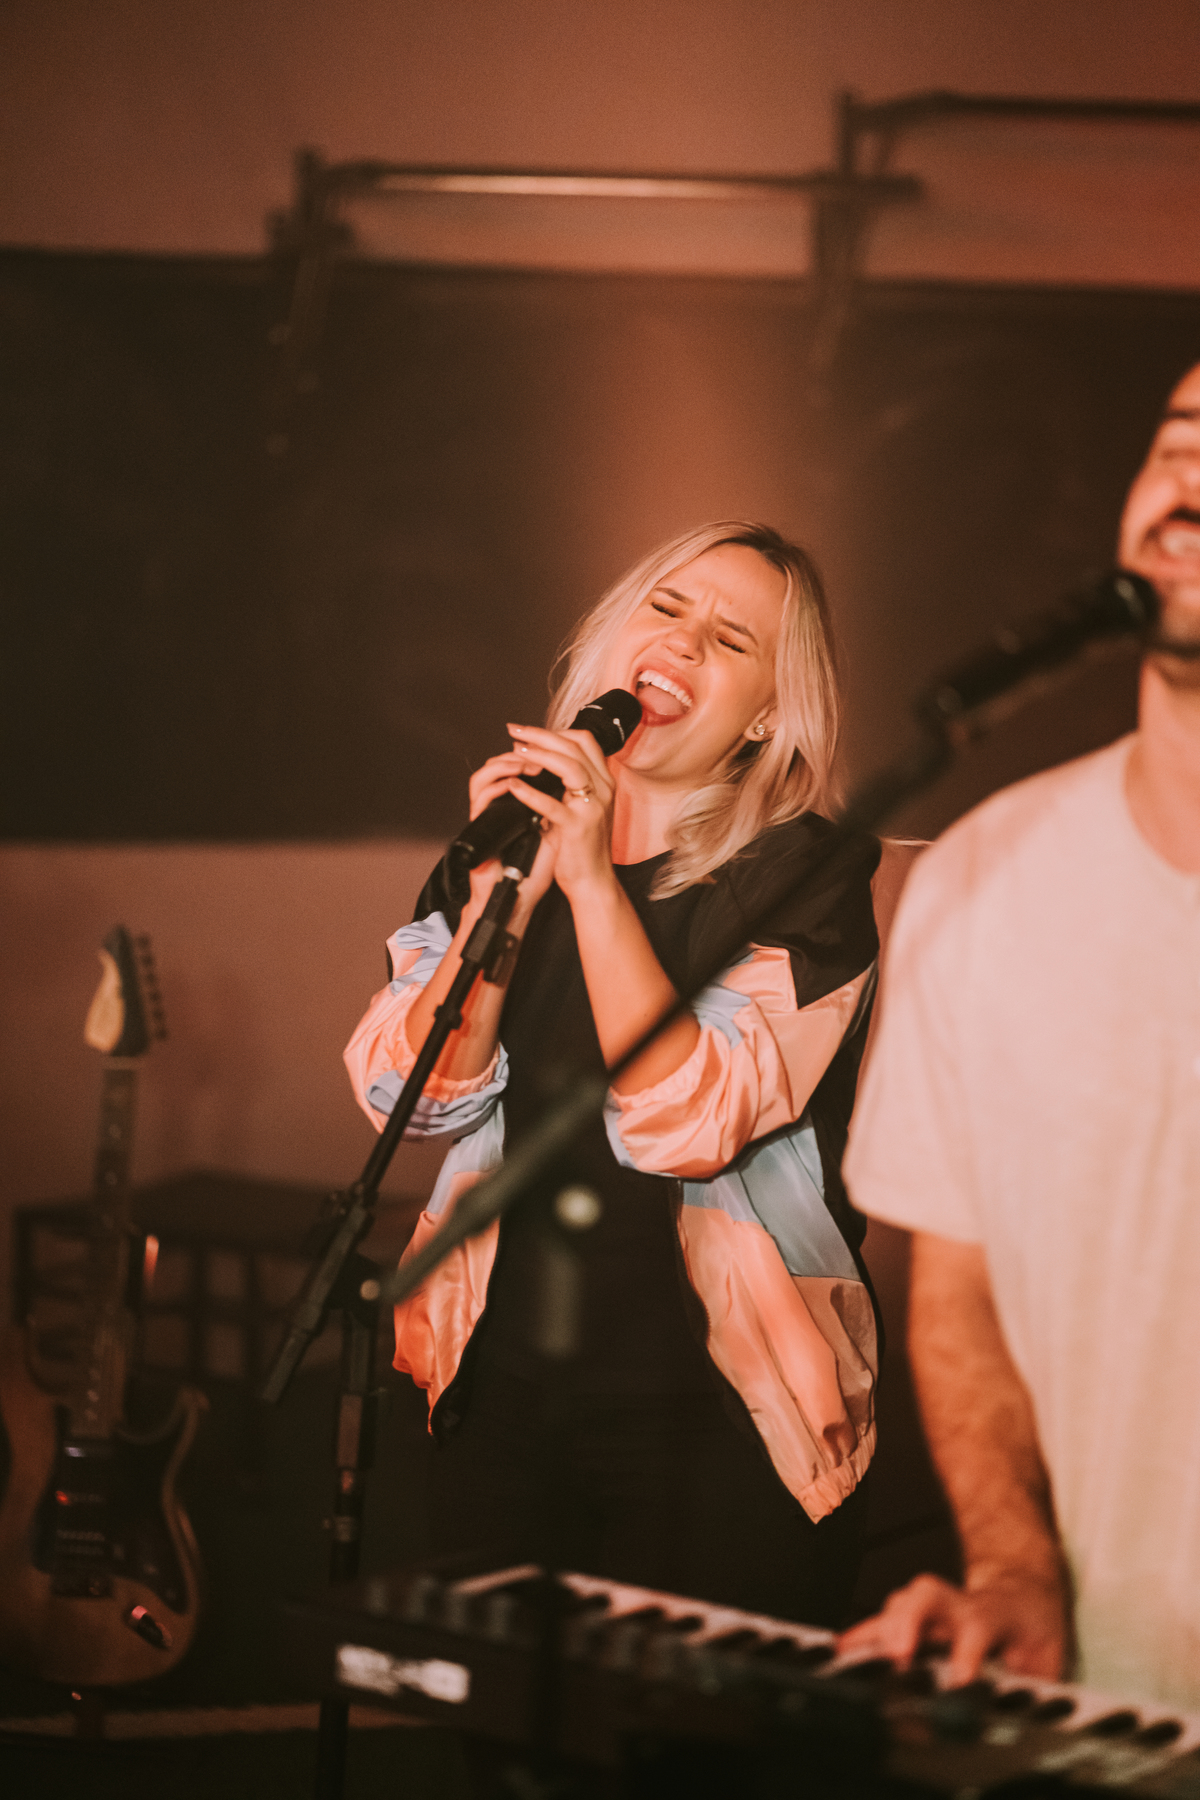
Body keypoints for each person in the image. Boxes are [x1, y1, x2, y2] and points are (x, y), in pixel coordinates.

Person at [345, 521, 882, 1625]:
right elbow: (409, 1094)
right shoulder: (508, 846)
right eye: (666, 609)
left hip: (716, 1416)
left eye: (729, 640)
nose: (682, 644)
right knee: (499, 1707)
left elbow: (687, 1123)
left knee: (679, 1721)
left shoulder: (806, 876)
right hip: (498, 1382)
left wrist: (592, 884)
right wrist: (505, 898)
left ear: (768, 716)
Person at [839, 362, 1200, 1706]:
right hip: (1116, 1707)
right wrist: (1011, 1567)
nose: (1191, 480)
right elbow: (961, 1288)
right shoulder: (985, 880)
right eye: (1176, 441)